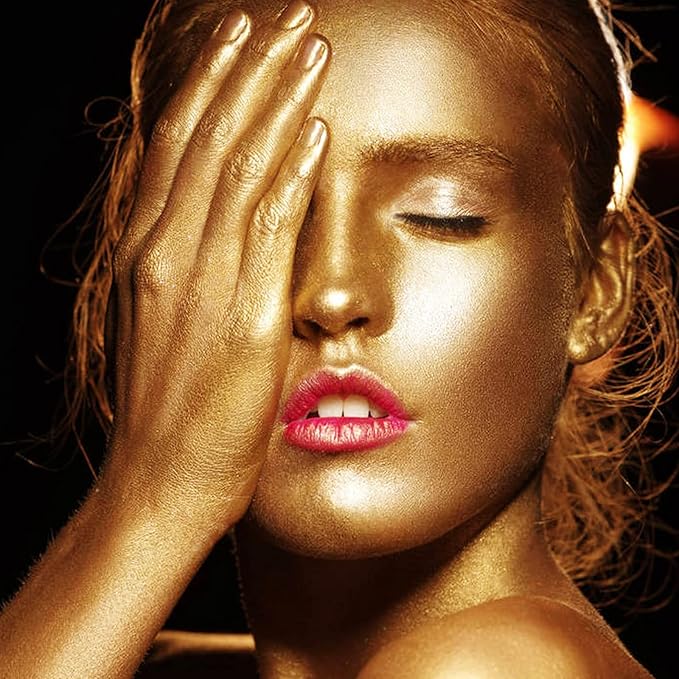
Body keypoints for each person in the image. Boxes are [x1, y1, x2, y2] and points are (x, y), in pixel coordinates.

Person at [1, 0, 677, 676]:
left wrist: (149, 505)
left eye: (440, 213)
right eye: (265, 213)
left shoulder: (485, 666)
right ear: (151, 268)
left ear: (595, 289)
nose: (330, 297)